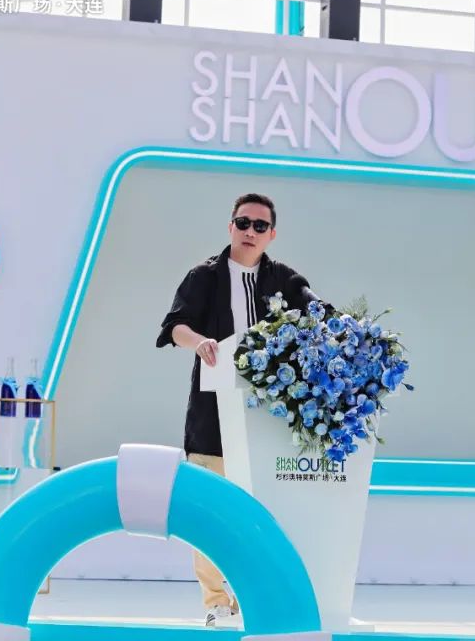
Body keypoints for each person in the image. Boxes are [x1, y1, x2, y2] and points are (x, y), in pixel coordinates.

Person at [155, 192, 322, 627]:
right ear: (230, 226)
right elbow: (175, 326)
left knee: (261, 512)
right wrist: (200, 343)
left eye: (259, 226)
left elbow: (316, 313)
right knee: (209, 508)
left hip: (267, 417)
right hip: (213, 412)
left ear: (271, 234)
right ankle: (216, 601)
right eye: (243, 223)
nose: (250, 232)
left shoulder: (285, 279)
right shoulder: (205, 276)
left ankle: (257, 596)